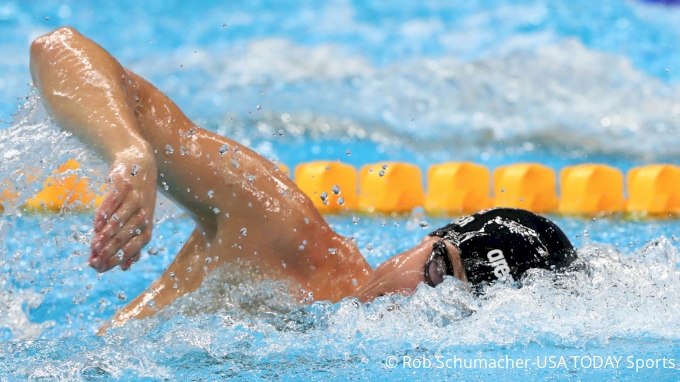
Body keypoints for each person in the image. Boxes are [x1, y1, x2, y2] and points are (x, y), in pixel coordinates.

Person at [29, 27, 576, 331]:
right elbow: (56, 49)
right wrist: (129, 148)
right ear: (427, 237)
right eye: (436, 271)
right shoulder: (281, 232)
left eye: (459, 307)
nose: (425, 303)